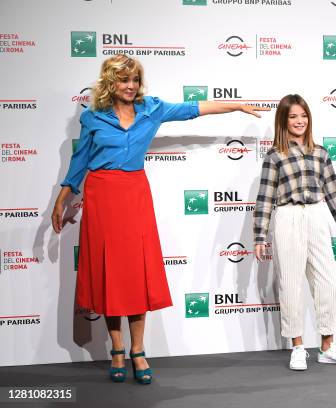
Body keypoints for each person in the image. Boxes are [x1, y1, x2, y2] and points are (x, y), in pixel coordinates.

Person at [52, 54, 268, 384]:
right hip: (102, 195)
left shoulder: (153, 109)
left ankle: (138, 350)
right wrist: (63, 198)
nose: (130, 86)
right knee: (110, 274)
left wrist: (236, 105)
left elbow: (195, 109)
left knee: (135, 272)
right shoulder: (93, 117)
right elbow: (79, 161)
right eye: (124, 79)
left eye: (135, 80)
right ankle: (118, 349)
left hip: (134, 194)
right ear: (111, 82)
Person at [253, 94, 336, 371]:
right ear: (283, 121)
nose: (300, 121)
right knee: (290, 284)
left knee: (325, 282)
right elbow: (264, 198)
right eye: (293, 116)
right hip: (287, 216)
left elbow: (333, 192)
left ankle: (327, 346)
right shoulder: (275, 155)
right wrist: (260, 236)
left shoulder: (321, 153)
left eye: (303, 116)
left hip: (316, 214)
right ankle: (298, 347)